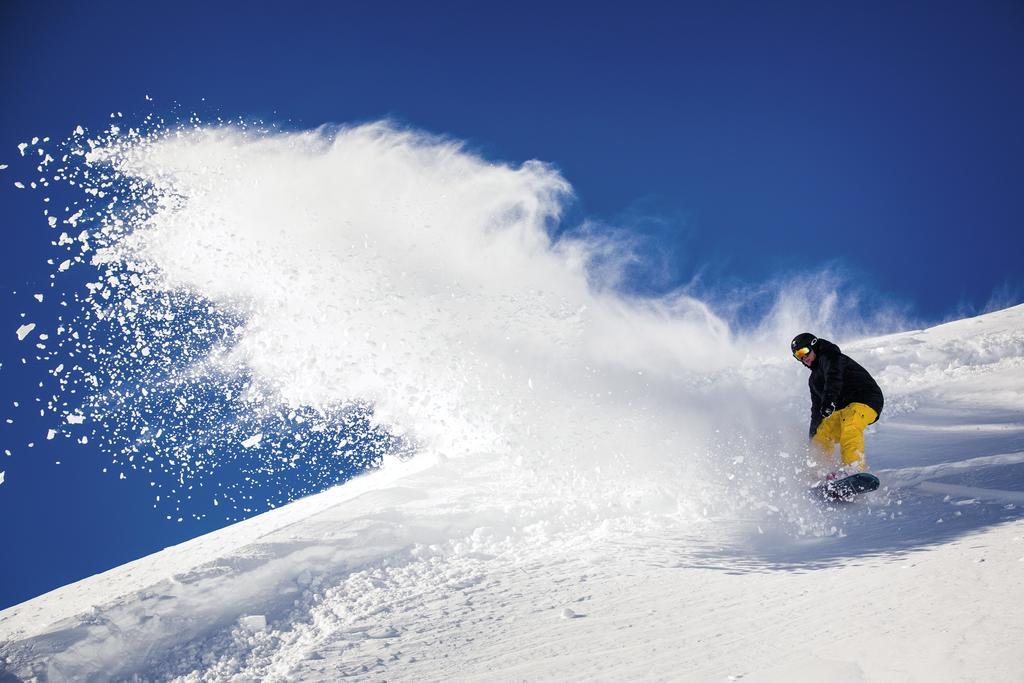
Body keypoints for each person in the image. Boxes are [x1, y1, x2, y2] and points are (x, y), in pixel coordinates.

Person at [791, 333, 884, 480]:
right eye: (798, 356)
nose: (803, 358)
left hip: (865, 398)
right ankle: (822, 474)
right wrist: (812, 437)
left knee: (850, 425)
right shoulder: (813, 380)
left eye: (804, 352)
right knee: (822, 435)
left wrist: (828, 401)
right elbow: (816, 410)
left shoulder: (831, 357)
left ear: (813, 345)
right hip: (844, 409)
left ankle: (854, 469)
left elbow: (834, 378)